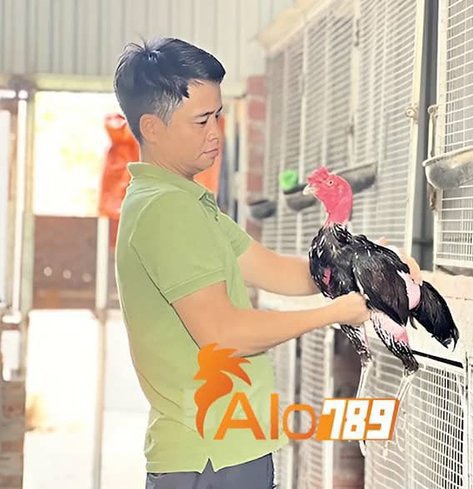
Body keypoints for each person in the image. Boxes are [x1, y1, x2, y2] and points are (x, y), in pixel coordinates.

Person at [113, 37, 421, 489]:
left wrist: (369, 263)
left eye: (218, 116)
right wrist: (334, 313)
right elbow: (224, 334)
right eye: (201, 121)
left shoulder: (187, 203)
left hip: (225, 449)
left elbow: (281, 272)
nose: (215, 133)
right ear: (152, 128)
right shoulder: (166, 210)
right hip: (211, 456)